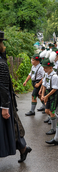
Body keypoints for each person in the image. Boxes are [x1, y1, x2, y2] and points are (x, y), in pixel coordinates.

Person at [0, 31, 32, 162]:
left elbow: (3, 87)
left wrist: (4, 107)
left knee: (10, 128)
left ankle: (23, 148)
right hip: (4, 102)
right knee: (10, 128)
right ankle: (23, 148)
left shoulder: (1, 63)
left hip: (3, 102)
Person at [41, 58, 58, 135]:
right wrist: (43, 95)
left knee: (52, 112)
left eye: (45, 68)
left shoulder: (55, 76)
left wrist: (47, 96)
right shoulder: (46, 74)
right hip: (48, 94)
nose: (44, 69)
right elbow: (44, 85)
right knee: (47, 111)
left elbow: (55, 89)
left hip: (54, 95)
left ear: (51, 67)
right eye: (43, 68)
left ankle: (53, 129)